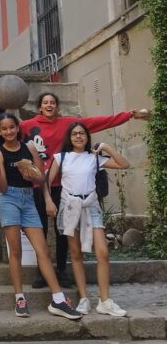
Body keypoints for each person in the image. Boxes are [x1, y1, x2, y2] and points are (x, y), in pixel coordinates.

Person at [0, 92, 150, 288]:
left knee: (63, 231)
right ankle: (42, 273)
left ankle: (61, 270)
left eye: (52, 102)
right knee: (40, 230)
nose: (49, 105)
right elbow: (1, 128)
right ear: (39, 107)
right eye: (45, 102)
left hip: (62, 185)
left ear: (57, 107)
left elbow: (99, 122)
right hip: (36, 185)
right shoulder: (27, 125)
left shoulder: (69, 124)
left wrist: (128, 115)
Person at [0, 113, 81, 320]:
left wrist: (39, 185)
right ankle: (20, 298)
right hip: (8, 199)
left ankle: (58, 299)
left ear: (18, 128)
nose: (9, 131)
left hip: (28, 199)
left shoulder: (29, 147)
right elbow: (2, 188)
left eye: (12, 127)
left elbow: (42, 178)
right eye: (4, 129)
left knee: (42, 250)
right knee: (15, 251)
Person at [47, 123, 130, 317]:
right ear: (69, 137)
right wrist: (48, 201)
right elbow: (46, 181)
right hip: (70, 207)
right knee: (76, 255)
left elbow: (124, 164)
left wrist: (106, 147)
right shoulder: (61, 157)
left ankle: (105, 301)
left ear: (87, 136)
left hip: (91, 206)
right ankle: (83, 298)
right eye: (74, 134)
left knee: (103, 253)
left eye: (82, 133)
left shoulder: (94, 158)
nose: (78, 137)